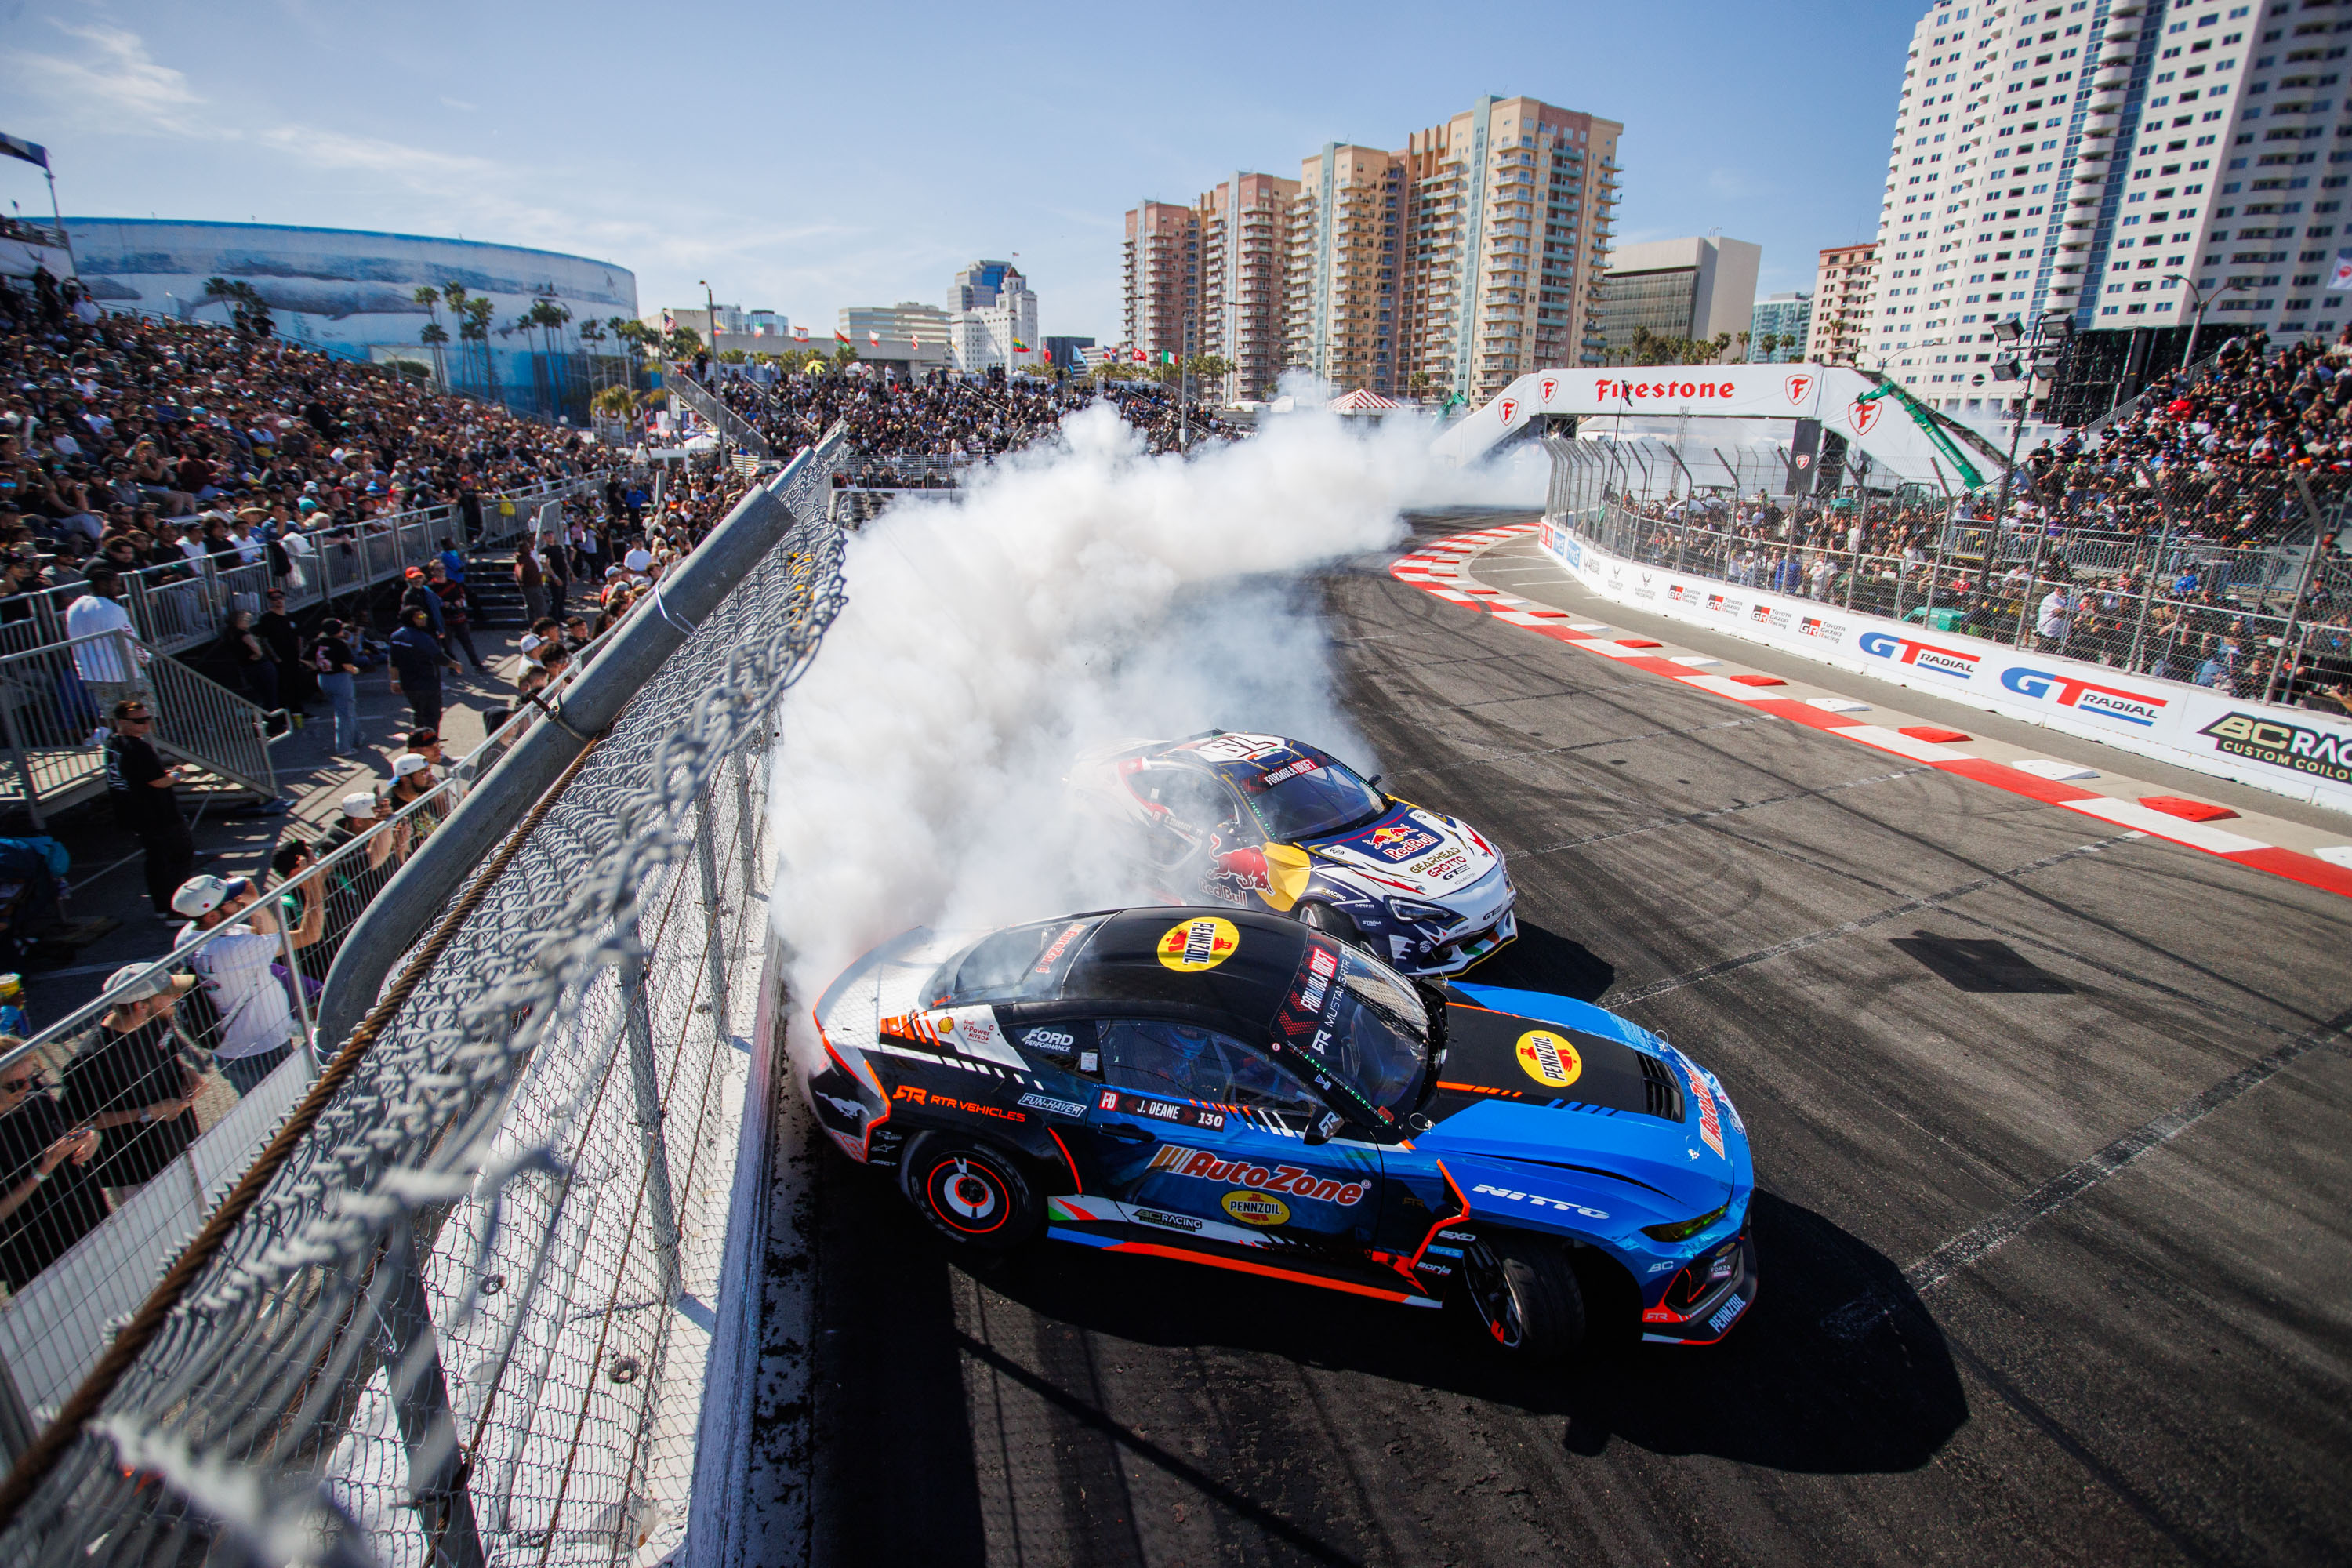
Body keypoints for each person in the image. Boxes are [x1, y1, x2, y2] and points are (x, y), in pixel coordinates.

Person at [170, 871, 324, 1097]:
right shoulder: (233, 949)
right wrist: (315, 885)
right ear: (212, 916)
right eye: (232, 901)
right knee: (293, 1109)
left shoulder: (189, 936)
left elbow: (264, 934)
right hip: (262, 1050)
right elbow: (310, 934)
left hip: (233, 1050)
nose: (239, 901)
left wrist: (255, 904)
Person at [61, 964, 205, 1195]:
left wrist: (188, 1073)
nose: (178, 997)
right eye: (168, 994)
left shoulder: (157, 1020)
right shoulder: (91, 1057)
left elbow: (169, 1059)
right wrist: (148, 1112)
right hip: (137, 1173)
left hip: (182, 1147)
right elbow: (77, 1121)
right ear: (141, 1005)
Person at [0, 1053, 106, 1293]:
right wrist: (44, 1169)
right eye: (16, 1084)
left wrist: (91, 1137)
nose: (28, 1087)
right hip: (37, 1258)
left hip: (86, 1222)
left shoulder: (33, 1096)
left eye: (33, 1076)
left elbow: (72, 1128)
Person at [103, 698, 195, 918]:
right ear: (121, 722)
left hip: (136, 814)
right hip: (159, 815)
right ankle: (178, 911)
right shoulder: (137, 748)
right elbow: (158, 781)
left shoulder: (112, 743)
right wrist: (177, 774)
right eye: (139, 721)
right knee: (178, 860)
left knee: (156, 861)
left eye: (148, 719)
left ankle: (162, 906)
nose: (145, 724)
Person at [65, 565, 144, 742]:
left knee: (109, 714)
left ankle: (99, 743)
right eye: (116, 585)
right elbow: (129, 639)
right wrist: (144, 658)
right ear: (103, 584)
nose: (119, 589)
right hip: (123, 672)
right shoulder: (111, 608)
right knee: (144, 710)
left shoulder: (75, 606)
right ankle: (152, 748)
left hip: (92, 672)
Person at [387, 605, 457, 733]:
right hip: (427, 683)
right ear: (410, 619)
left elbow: (393, 661)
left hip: (409, 684)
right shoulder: (423, 638)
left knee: (419, 714)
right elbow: (439, 658)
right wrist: (455, 665)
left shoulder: (396, 637)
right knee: (432, 716)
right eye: (420, 617)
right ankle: (431, 744)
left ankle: (419, 742)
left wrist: (395, 681)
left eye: (424, 615)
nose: (424, 619)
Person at [307, 616, 362, 755]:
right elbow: (347, 665)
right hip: (340, 679)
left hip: (324, 678)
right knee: (343, 714)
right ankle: (343, 747)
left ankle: (356, 737)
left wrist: (316, 667)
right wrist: (355, 670)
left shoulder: (316, 642)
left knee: (347, 709)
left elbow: (304, 658)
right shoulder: (339, 644)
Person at [254, 588, 311, 715]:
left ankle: (298, 710)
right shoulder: (266, 619)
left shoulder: (291, 616)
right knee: (282, 686)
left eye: (280, 597)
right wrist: (275, 657)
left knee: (296, 684)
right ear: (270, 601)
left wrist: (300, 653)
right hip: (279, 658)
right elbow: (264, 640)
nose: (278, 601)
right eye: (274, 599)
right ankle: (282, 714)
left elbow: (300, 635)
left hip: (294, 656)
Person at [218, 608, 279, 711]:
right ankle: (275, 722)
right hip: (261, 666)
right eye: (245, 619)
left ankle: (269, 720)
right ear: (237, 620)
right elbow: (256, 648)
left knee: (263, 695)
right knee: (271, 695)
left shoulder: (229, 635)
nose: (248, 621)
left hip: (247, 667)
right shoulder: (244, 634)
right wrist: (258, 654)